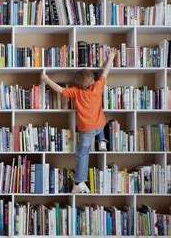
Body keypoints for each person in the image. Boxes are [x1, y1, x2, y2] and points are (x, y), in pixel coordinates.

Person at [41, 47, 117, 193]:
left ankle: (79, 182)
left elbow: (59, 90)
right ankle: (102, 141)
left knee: (82, 154)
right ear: (92, 80)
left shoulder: (76, 92)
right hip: (99, 125)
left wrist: (46, 79)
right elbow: (106, 72)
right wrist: (111, 58)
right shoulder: (97, 87)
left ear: (78, 83)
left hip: (86, 129)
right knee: (103, 121)